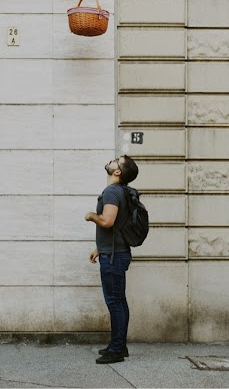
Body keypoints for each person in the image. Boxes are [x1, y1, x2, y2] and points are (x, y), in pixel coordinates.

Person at [85, 154, 139, 364]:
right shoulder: (121, 192)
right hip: (115, 252)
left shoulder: (111, 191)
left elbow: (107, 221)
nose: (113, 160)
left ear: (117, 172)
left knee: (114, 303)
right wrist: (99, 247)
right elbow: (117, 226)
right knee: (119, 302)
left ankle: (116, 350)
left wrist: (91, 216)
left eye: (117, 161)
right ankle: (119, 345)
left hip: (114, 257)